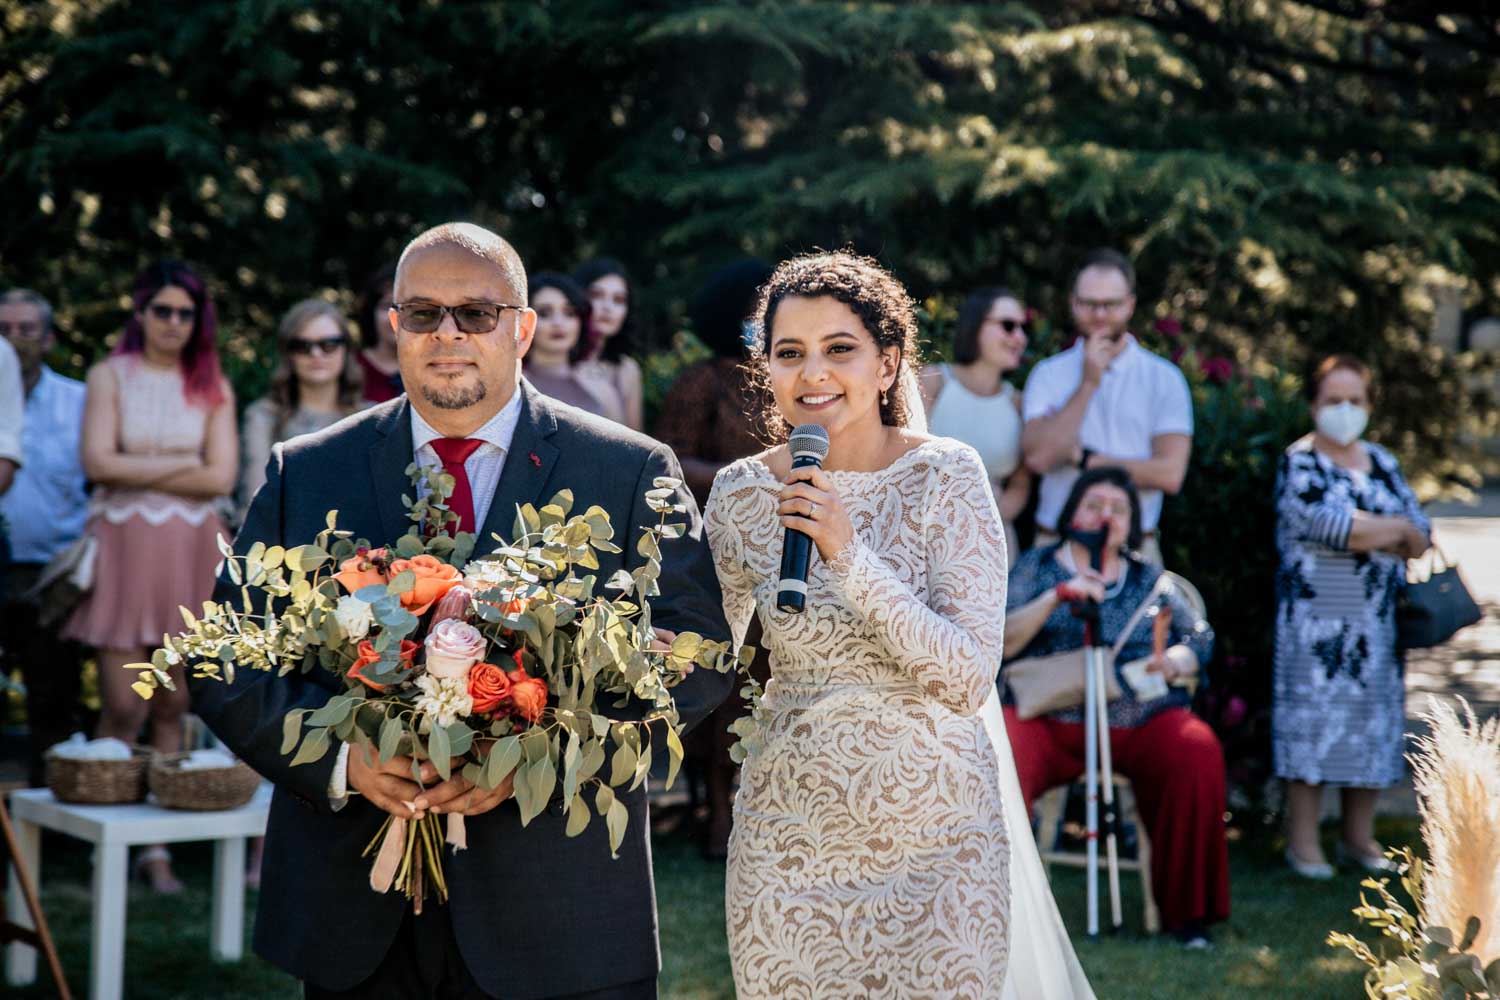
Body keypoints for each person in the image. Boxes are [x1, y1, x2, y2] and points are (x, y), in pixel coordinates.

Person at [189, 222, 734, 999]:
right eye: (421, 313)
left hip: (559, 915)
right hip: (360, 918)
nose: (447, 334)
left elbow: (698, 656)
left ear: (523, 328)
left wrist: (537, 762)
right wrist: (345, 761)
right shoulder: (307, 471)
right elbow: (225, 660)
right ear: (394, 327)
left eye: (475, 313)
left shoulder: (629, 467)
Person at [706, 250, 1022, 996]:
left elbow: (967, 675)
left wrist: (848, 554)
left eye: (838, 349)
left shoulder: (947, 474)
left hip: (940, 843)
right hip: (790, 838)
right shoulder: (740, 492)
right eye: (790, 354)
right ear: (768, 372)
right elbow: (698, 658)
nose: (813, 373)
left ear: (888, 366)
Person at [1001, 466, 1229, 949]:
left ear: (1132, 522)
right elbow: (1000, 639)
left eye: (1118, 509)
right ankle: (999, 906)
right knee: (998, 756)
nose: (1105, 516)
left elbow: (1198, 636)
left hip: (1137, 719)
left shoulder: (1152, 581)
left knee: (1195, 751)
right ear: (1072, 511)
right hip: (1047, 717)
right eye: (1094, 504)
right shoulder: (1036, 567)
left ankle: (1188, 917)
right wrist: (1054, 598)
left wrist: (1179, 658)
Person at [66, 261, 238, 894]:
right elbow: (94, 460)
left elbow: (220, 478)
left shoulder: (212, 383)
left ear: (198, 322)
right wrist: (179, 464)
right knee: (120, 701)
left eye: (184, 313)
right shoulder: (109, 375)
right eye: (161, 310)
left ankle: (155, 850)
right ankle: (98, 831)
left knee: (173, 700)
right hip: (124, 547)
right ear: (140, 312)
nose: (172, 323)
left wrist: (134, 465)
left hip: (189, 552)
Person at [1273, 354, 1430, 878]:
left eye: (1355, 401)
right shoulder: (1300, 462)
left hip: (1376, 626)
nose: (1345, 410)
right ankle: (1304, 844)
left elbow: (1420, 533)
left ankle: (1358, 840)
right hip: (1314, 624)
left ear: (1370, 404)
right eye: (1333, 400)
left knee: (1369, 730)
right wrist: (1388, 530)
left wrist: (1371, 529)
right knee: (1312, 730)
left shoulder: (1383, 461)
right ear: (1314, 404)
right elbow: (1326, 526)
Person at [653, 257, 773, 859]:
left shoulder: (785, 375)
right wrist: (751, 479)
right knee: (728, 684)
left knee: (773, 681)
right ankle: (721, 818)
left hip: (787, 550)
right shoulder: (703, 381)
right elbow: (670, 460)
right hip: (718, 548)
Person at [1021, 249, 1193, 564]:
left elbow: (1169, 474)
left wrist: (1084, 459)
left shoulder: (1164, 378)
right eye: (1089, 304)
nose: (1100, 315)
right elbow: (1039, 457)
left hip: (1135, 551)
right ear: (1073, 303)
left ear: (1129, 304)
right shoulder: (1048, 374)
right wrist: (1088, 384)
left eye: (1110, 305)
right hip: (1055, 546)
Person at [0, 289, 90, 786]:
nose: (14, 340)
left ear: (49, 337)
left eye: (26, 329)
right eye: (4, 329)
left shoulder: (78, 401)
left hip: (53, 571)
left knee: (53, 697)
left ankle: (53, 812)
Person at [922, 286, 1033, 555]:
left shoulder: (1017, 402)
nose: (1019, 337)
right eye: (1008, 325)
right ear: (975, 326)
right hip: (927, 535)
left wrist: (991, 519)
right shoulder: (933, 381)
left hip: (994, 545)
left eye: (1023, 328)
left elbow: (1021, 482)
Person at [239, 298, 366, 514]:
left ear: (346, 349)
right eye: (302, 346)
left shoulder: (371, 418)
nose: (316, 354)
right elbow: (256, 501)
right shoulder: (262, 417)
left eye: (329, 344)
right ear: (288, 354)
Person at [523, 271, 627, 422]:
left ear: (582, 321)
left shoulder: (602, 391)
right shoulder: (509, 386)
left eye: (569, 313)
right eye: (545, 313)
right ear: (525, 322)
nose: (558, 322)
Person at [574, 257, 644, 430]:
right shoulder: (553, 359)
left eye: (618, 300)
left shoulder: (627, 370)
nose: (608, 307)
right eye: (597, 295)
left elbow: (639, 447)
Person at [355, 263, 403, 403]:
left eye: (408, 307)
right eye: (388, 306)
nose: (397, 317)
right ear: (371, 312)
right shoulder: (351, 368)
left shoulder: (438, 367)